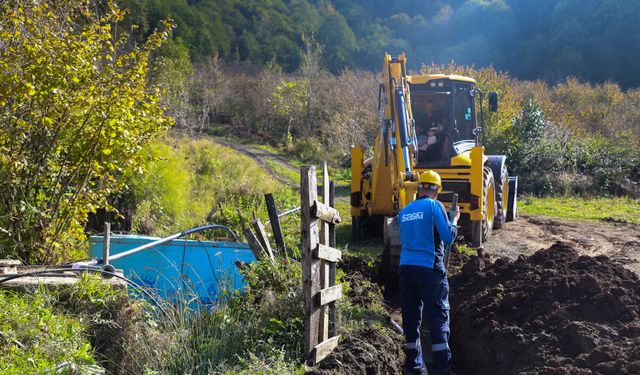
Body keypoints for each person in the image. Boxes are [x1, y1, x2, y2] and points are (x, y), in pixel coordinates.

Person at [397, 170, 460, 375]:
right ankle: (443, 370)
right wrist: (454, 220)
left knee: (411, 318)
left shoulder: (404, 212)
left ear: (419, 188)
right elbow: (448, 237)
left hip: (406, 270)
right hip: (429, 270)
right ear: (437, 190)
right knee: (438, 318)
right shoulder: (435, 206)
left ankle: (414, 368)